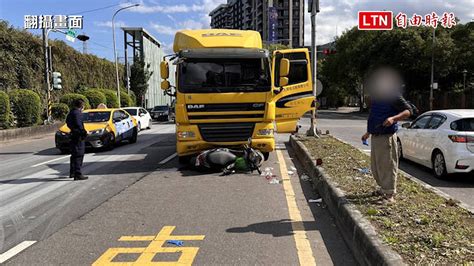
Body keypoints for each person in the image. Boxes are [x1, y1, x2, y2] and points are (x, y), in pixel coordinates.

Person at [361, 67, 412, 203]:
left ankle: (389, 195)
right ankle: (383, 189)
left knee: (387, 165)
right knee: (376, 166)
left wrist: (393, 119)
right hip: (376, 136)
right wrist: (368, 132)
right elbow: (375, 117)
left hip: (386, 137)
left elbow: (408, 111)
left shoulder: (394, 96)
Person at [66, 99, 88, 180]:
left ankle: (72, 172)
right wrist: (84, 133)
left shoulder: (71, 113)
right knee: (79, 154)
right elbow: (79, 125)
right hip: (78, 137)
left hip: (73, 135)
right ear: (82, 106)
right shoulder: (77, 114)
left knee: (74, 155)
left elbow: (67, 122)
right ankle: (77, 174)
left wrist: (72, 129)